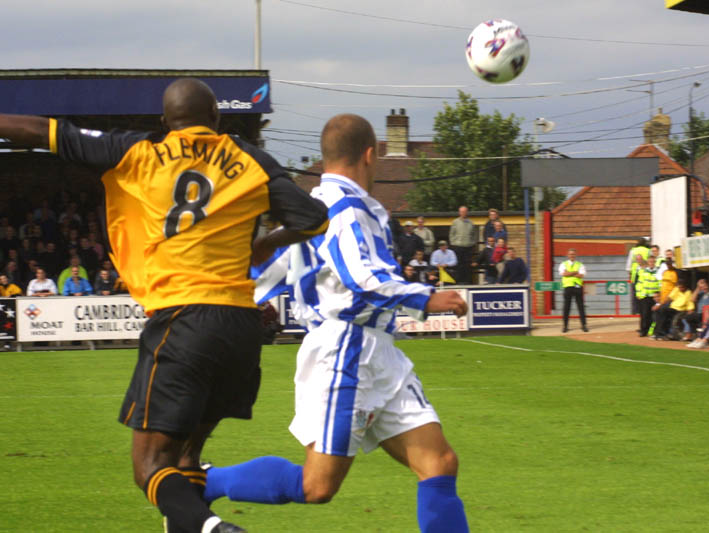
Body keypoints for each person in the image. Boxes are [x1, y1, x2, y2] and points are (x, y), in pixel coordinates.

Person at [0, 78, 329, 533]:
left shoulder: (139, 151)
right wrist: (265, 244)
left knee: (150, 465)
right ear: (216, 119)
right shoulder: (250, 157)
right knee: (186, 458)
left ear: (164, 122)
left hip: (183, 321)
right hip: (240, 327)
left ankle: (214, 529)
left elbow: (43, 131)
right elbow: (313, 218)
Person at [206, 114, 470, 533]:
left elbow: (263, 269)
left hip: (376, 348)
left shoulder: (313, 208)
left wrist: (219, 300)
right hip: (346, 351)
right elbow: (360, 279)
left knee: (439, 463)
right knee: (318, 485)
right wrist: (427, 297)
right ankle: (202, 481)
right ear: (370, 155)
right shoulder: (345, 209)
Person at [559, 248, 588, 333]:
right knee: (566, 307)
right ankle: (565, 326)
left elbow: (581, 275)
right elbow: (564, 274)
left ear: (576, 255)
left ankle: (584, 325)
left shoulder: (580, 264)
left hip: (577, 286)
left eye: (573, 254)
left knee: (581, 307)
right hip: (568, 287)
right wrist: (575, 272)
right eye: (570, 254)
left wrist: (569, 273)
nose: (572, 255)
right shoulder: (563, 264)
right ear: (567, 255)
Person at [449, 205, 476, 284]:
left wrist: (472, 243)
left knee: (467, 265)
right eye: (462, 211)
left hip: (468, 247)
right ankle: (458, 281)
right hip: (458, 247)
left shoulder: (471, 222)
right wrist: (453, 243)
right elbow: (451, 234)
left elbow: (474, 234)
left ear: (467, 212)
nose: (463, 213)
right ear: (459, 212)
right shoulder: (455, 222)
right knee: (458, 265)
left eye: (465, 211)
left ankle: (467, 281)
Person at [636, 256, 660, 337]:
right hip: (645, 296)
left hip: (654, 297)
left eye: (653, 262)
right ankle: (643, 330)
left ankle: (652, 331)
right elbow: (639, 284)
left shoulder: (658, 272)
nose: (651, 263)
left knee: (653, 315)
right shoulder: (643, 272)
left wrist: (658, 295)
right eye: (650, 262)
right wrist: (638, 294)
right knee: (644, 314)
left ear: (655, 262)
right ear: (648, 262)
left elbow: (660, 284)